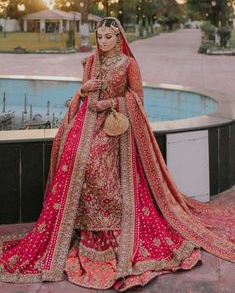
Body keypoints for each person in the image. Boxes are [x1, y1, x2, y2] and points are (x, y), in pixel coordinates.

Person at [0, 17, 235, 291]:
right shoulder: (90, 62)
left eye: (108, 37)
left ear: (119, 38)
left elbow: (137, 98)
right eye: (99, 37)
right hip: (87, 123)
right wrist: (82, 90)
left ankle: (108, 229)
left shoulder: (128, 64)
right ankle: (78, 227)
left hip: (114, 128)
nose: (102, 42)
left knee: (93, 163)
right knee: (73, 154)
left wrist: (111, 102)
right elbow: (82, 94)